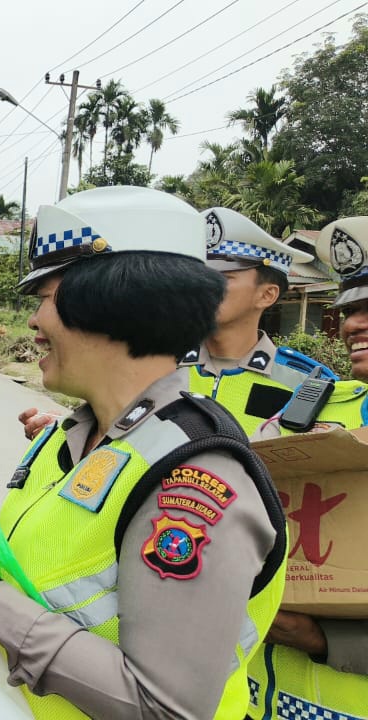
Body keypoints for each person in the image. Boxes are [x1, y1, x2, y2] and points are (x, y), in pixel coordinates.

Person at [0, 186, 287, 719]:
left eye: (45, 299)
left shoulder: (191, 476)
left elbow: (163, 708)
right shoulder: (69, 436)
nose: (32, 322)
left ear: (114, 302)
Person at [19, 206, 335, 440]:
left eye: (222, 278)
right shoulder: (154, 361)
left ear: (267, 295)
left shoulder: (305, 384)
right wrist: (69, 431)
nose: (205, 287)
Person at [245, 215, 368, 720]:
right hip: (256, 700)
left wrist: (326, 637)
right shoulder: (315, 404)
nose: (356, 323)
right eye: (351, 309)